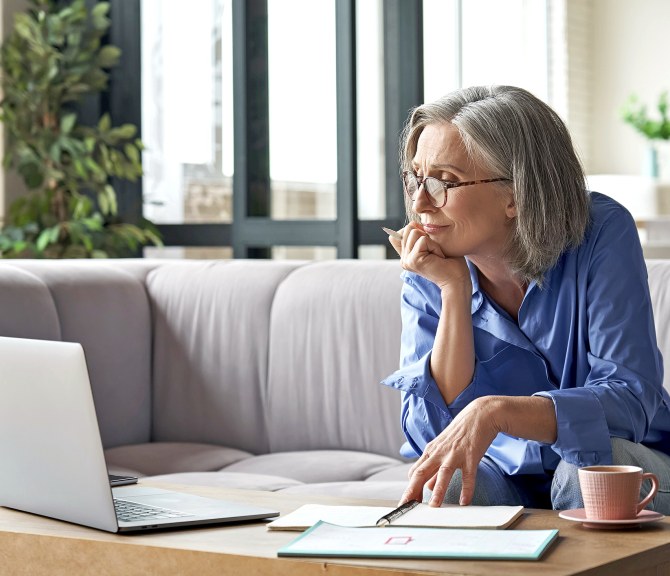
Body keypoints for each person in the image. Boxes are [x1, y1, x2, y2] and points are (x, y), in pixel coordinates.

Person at [381, 85, 670, 513]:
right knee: (452, 482)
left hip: (625, 462)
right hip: (507, 474)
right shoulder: (431, 265)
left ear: (515, 195)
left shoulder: (602, 232)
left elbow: (629, 400)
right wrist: (454, 292)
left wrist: (499, 412)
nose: (421, 202)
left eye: (445, 181)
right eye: (415, 178)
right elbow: (432, 437)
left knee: (584, 471)